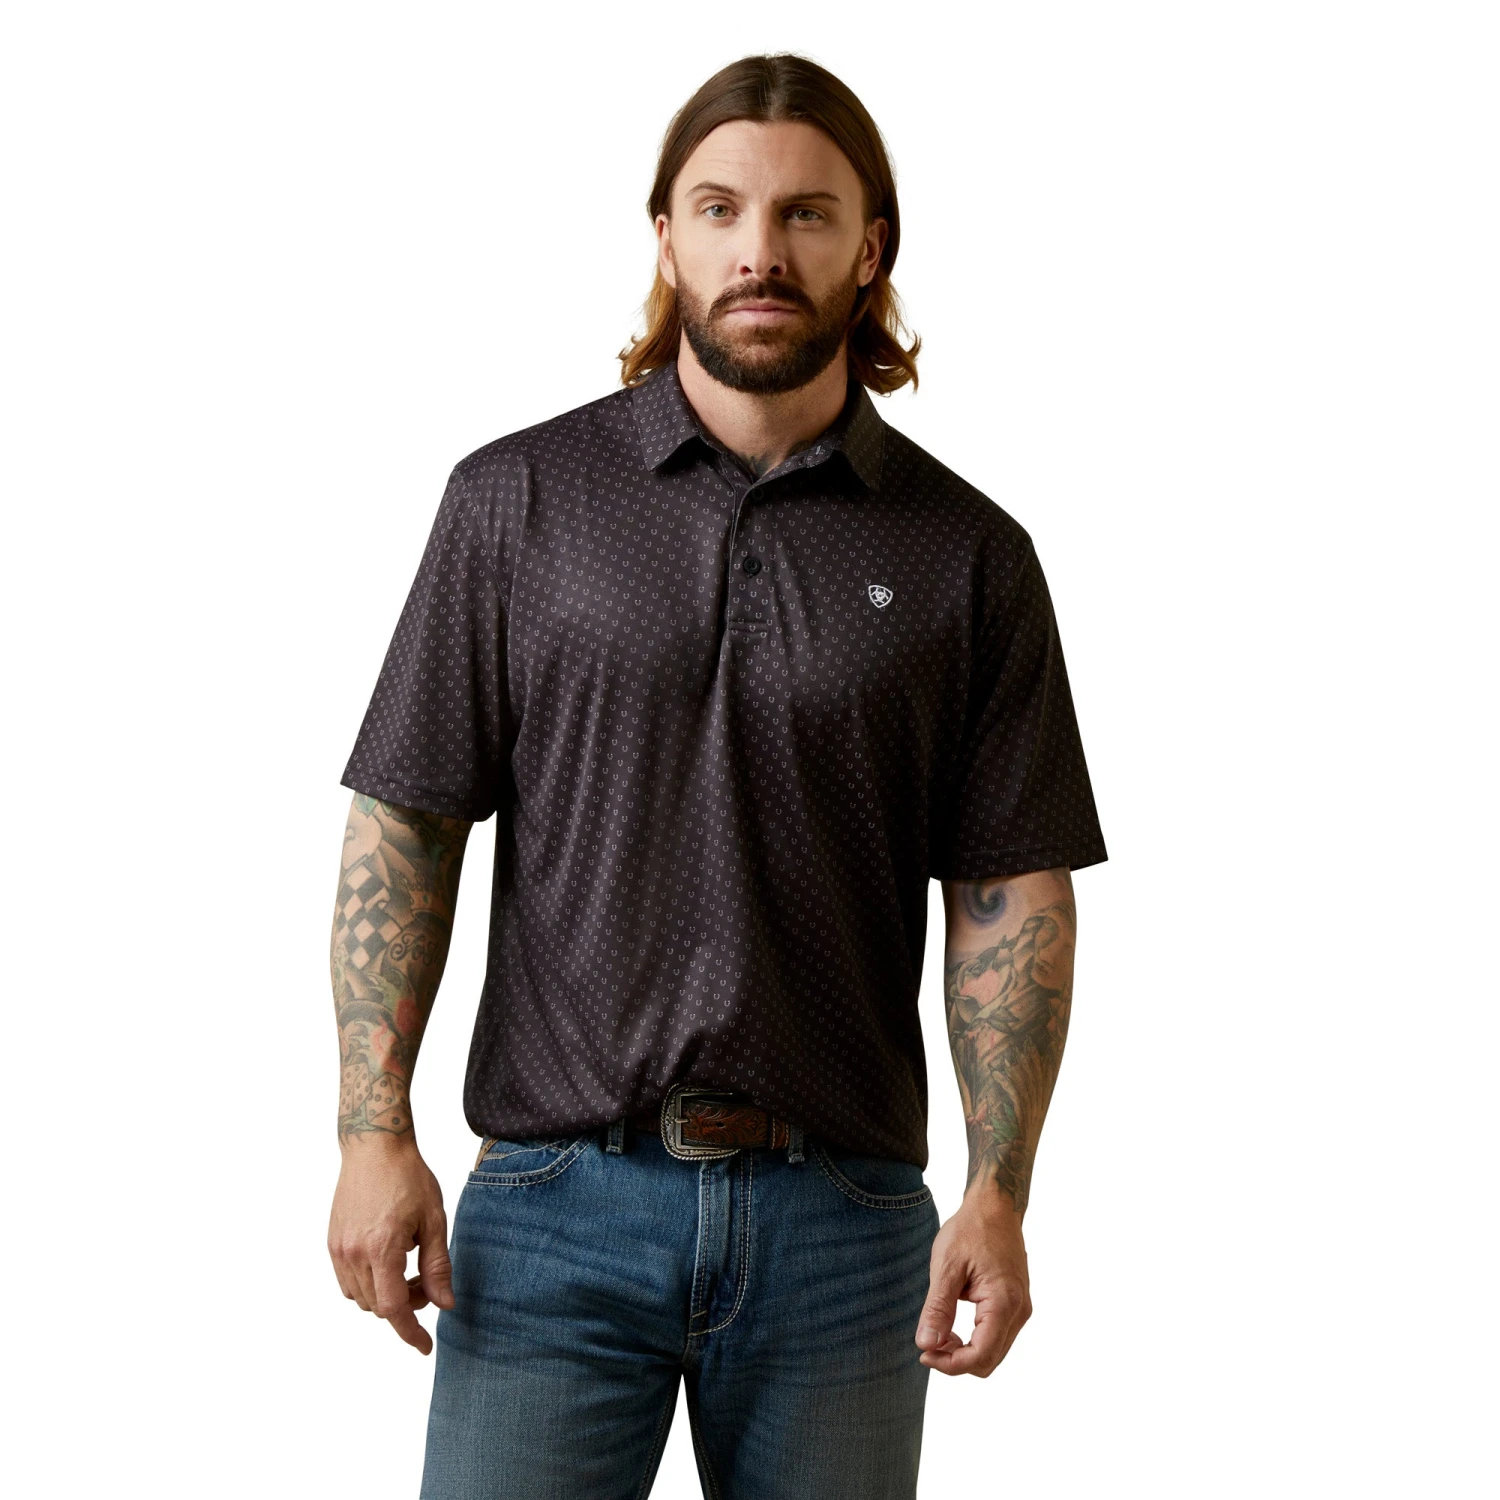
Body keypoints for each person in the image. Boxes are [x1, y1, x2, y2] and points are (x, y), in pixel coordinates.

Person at [327, 51, 1107, 1500]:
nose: (761, 250)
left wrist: (1000, 1190)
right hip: (554, 1211)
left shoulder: (967, 554)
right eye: (721, 209)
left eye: (807, 213)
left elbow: (1010, 891)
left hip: (847, 1227)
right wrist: (374, 1132)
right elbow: (408, 824)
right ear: (667, 239)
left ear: (869, 248)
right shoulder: (517, 502)